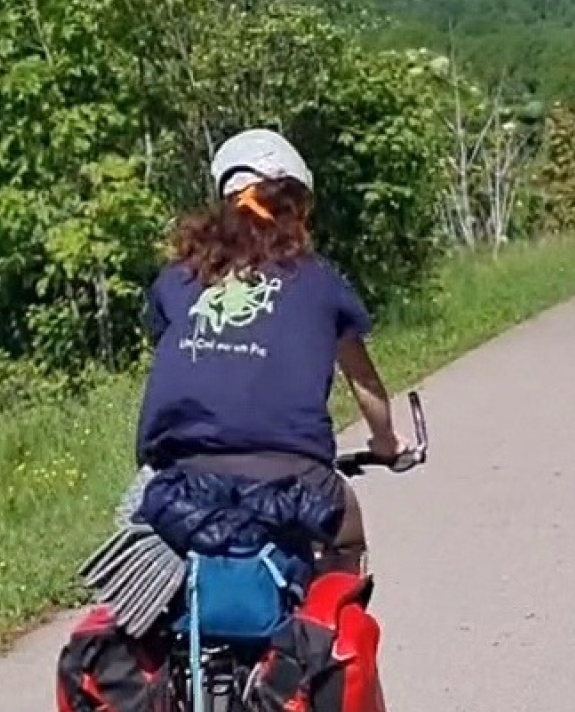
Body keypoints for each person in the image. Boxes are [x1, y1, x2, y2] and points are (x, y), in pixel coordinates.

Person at [136, 128, 402, 566]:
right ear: (292, 207)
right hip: (295, 478)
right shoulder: (318, 280)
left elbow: (175, 359)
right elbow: (365, 383)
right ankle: (315, 634)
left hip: (180, 478)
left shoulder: (177, 278)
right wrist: (386, 442)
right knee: (347, 541)